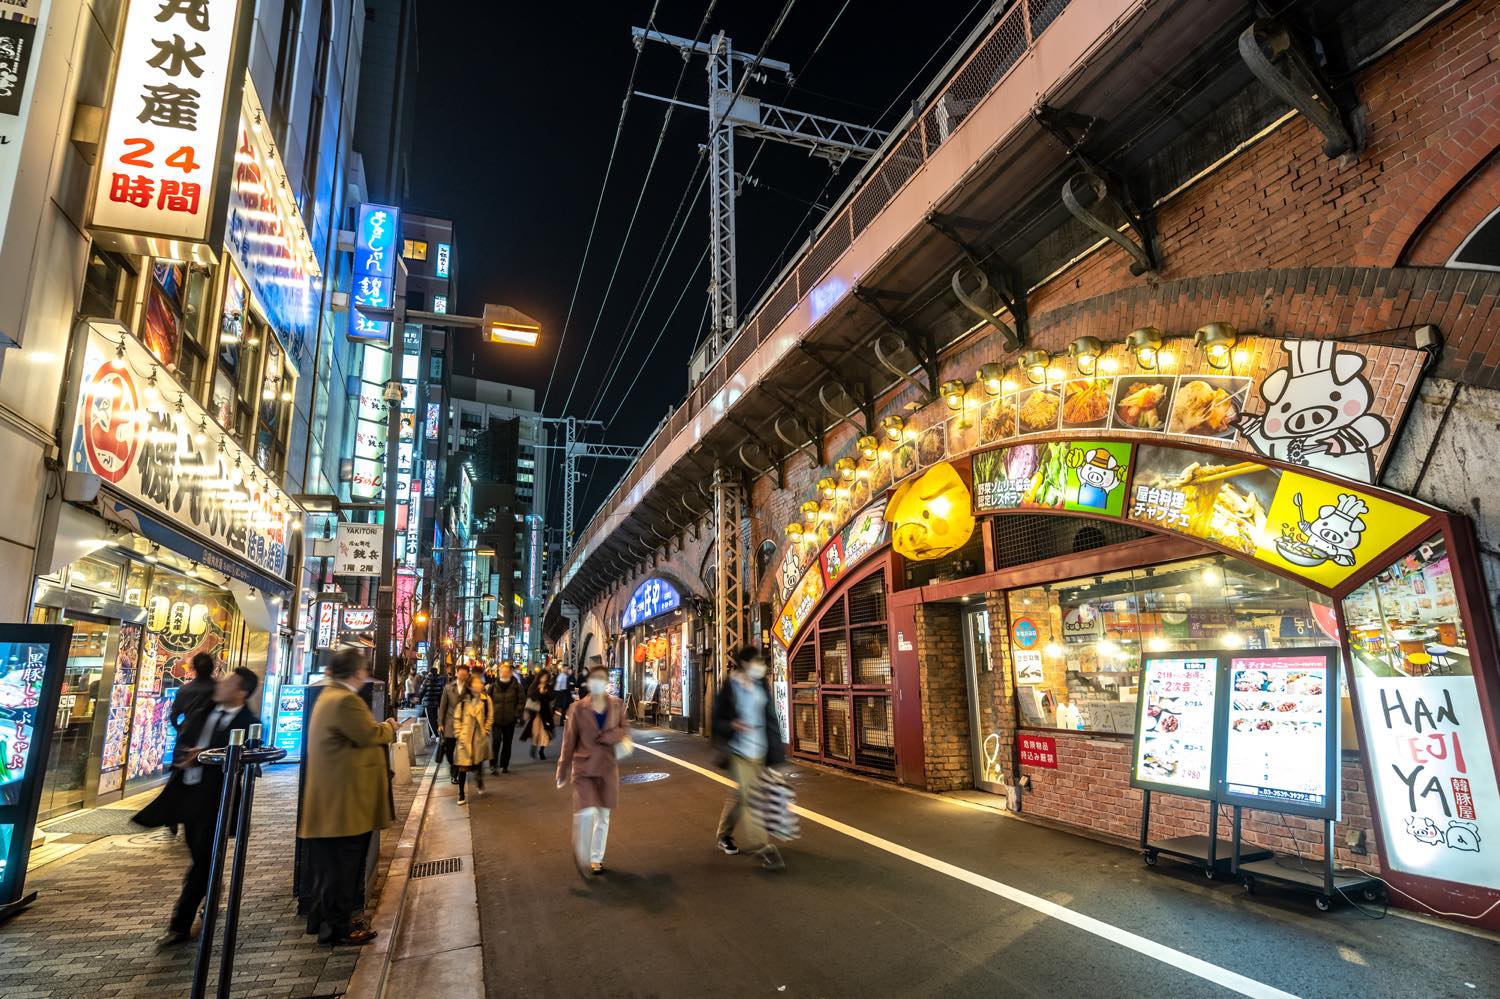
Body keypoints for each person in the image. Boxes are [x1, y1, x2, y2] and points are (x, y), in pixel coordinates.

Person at [134, 666, 260, 946]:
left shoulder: (249, 721)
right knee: (202, 858)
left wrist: (204, 755)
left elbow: (248, 757)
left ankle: (180, 924)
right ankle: (211, 891)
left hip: (216, 800)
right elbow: (182, 739)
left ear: (241, 691)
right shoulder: (203, 710)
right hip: (186, 794)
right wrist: (184, 755)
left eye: (228, 682)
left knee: (202, 861)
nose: (221, 684)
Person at [299, 648, 397, 946]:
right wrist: (389, 727)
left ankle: (322, 921)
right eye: (363, 670)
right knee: (343, 868)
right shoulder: (345, 701)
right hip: (345, 804)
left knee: (331, 868)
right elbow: (369, 734)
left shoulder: (329, 697)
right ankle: (338, 929)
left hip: (333, 800)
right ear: (356, 673)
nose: (365, 675)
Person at [711, 646, 786, 871]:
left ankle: (723, 835)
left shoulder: (762, 684)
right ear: (744, 663)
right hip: (738, 751)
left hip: (760, 749)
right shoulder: (730, 686)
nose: (760, 665)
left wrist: (776, 753)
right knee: (751, 795)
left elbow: (770, 718)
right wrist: (732, 725)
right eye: (756, 661)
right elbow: (717, 719)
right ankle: (762, 847)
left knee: (741, 795)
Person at [555, 665, 630, 876]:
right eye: (593, 678)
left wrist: (612, 735)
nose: (597, 682)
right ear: (588, 682)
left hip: (607, 767)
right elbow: (569, 742)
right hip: (584, 767)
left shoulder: (616, 705)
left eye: (601, 678)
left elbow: (625, 730)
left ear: (607, 682)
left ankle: (596, 858)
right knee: (586, 812)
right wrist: (562, 769)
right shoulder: (577, 708)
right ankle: (581, 849)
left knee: (603, 816)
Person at [452, 671, 492, 804]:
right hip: (465, 738)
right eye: (476, 683)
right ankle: (461, 793)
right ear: (470, 686)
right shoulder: (463, 702)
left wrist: (486, 729)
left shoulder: (485, 699)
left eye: (480, 683)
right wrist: (458, 734)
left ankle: (479, 780)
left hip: (479, 738)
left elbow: (490, 716)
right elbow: (457, 719)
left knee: (478, 763)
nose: (480, 685)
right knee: (462, 767)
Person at [486, 662, 523, 774]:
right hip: (496, 718)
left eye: (507, 671)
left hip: (509, 719)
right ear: (499, 673)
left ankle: (504, 764)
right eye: (502, 671)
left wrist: (516, 714)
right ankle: (493, 764)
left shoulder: (516, 686)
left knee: (507, 743)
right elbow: (487, 701)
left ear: (510, 673)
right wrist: (488, 714)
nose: (505, 673)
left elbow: (521, 701)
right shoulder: (493, 685)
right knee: (495, 742)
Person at [170, 652, 218, 735]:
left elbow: (173, 717)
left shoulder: (184, 690)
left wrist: (181, 730)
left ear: (193, 668)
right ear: (212, 668)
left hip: (188, 737)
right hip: (213, 738)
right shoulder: (220, 689)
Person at [437, 664, 469, 782]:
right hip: (450, 724)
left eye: (465, 673)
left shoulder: (469, 689)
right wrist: (440, 723)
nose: (462, 675)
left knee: (460, 752)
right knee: (450, 751)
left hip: (464, 725)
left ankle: (454, 774)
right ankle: (452, 765)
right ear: (457, 673)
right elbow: (442, 707)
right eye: (460, 672)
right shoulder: (448, 687)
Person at [521, 669, 555, 760]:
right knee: (535, 732)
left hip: (545, 713)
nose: (544, 679)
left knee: (545, 733)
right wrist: (539, 692)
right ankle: (534, 746)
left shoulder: (548, 686)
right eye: (542, 677)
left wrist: (545, 693)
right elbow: (530, 695)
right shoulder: (534, 685)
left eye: (546, 677)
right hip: (536, 713)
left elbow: (552, 696)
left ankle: (541, 750)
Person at [421, 668, 446, 742]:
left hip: (428, 703)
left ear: (430, 672)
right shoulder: (439, 681)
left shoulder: (426, 681)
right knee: (434, 719)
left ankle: (437, 735)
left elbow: (421, 691)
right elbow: (441, 693)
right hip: (435, 703)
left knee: (430, 720)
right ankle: (429, 735)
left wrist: (419, 699)